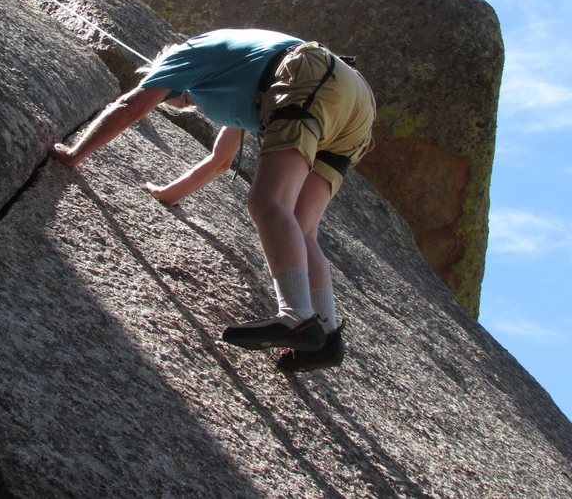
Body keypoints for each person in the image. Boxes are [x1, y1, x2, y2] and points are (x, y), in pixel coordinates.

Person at [51, 28, 376, 371]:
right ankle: (325, 337)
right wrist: (166, 194)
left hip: (313, 75)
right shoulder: (236, 80)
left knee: (268, 201)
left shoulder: (186, 58)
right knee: (300, 225)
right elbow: (221, 160)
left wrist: (74, 154)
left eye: (164, 94)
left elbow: (131, 106)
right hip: (354, 107)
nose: (172, 103)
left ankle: (297, 315)